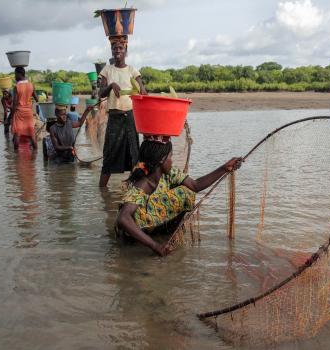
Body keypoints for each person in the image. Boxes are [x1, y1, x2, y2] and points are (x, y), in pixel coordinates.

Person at [116, 138, 242, 256]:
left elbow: (195, 185)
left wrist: (224, 168)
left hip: (151, 225)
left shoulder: (169, 173)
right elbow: (122, 218)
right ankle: (152, 239)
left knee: (187, 191)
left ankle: (167, 234)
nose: (172, 160)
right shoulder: (142, 183)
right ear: (161, 160)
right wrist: (155, 246)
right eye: (171, 156)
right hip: (134, 233)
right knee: (182, 193)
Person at [98, 35, 147, 187]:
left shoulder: (132, 70)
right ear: (111, 51)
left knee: (134, 153)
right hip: (115, 117)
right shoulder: (107, 70)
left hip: (130, 117)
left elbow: (143, 92)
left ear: (125, 51)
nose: (117, 51)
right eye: (114, 48)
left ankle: (135, 187)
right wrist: (112, 85)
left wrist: (139, 91)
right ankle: (102, 189)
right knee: (109, 154)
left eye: (120, 48)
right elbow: (100, 93)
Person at [11, 67, 38, 150]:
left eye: (15, 74)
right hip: (29, 113)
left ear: (19, 74)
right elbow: (37, 98)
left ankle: (16, 156)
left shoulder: (17, 87)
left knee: (17, 133)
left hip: (19, 113)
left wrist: (11, 116)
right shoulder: (31, 85)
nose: (15, 76)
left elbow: (15, 104)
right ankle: (35, 152)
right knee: (31, 133)